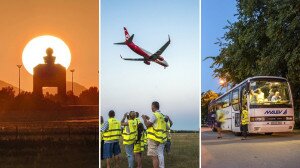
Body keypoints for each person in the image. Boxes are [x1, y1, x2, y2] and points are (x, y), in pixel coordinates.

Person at [142, 101, 167, 168]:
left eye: (151, 106)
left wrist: (144, 119)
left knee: (154, 157)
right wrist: (148, 118)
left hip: (153, 138)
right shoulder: (161, 115)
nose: (151, 108)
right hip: (159, 138)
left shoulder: (155, 115)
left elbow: (147, 125)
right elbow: (155, 124)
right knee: (158, 155)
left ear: (153, 106)